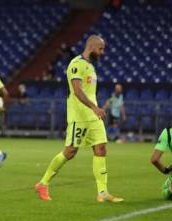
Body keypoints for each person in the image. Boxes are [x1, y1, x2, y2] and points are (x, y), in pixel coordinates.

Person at [35, 35, 124, 202]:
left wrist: (94, 109)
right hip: (79, 116)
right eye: (101, 49)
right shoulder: (76, 64)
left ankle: (102, 192)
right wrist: (94, 107)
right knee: (70, 152)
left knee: (101, 149)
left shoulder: (90, 66)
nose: (103, 52)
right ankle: (43, 183)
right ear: (91, 47)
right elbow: (77, 90)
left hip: (92, 117)